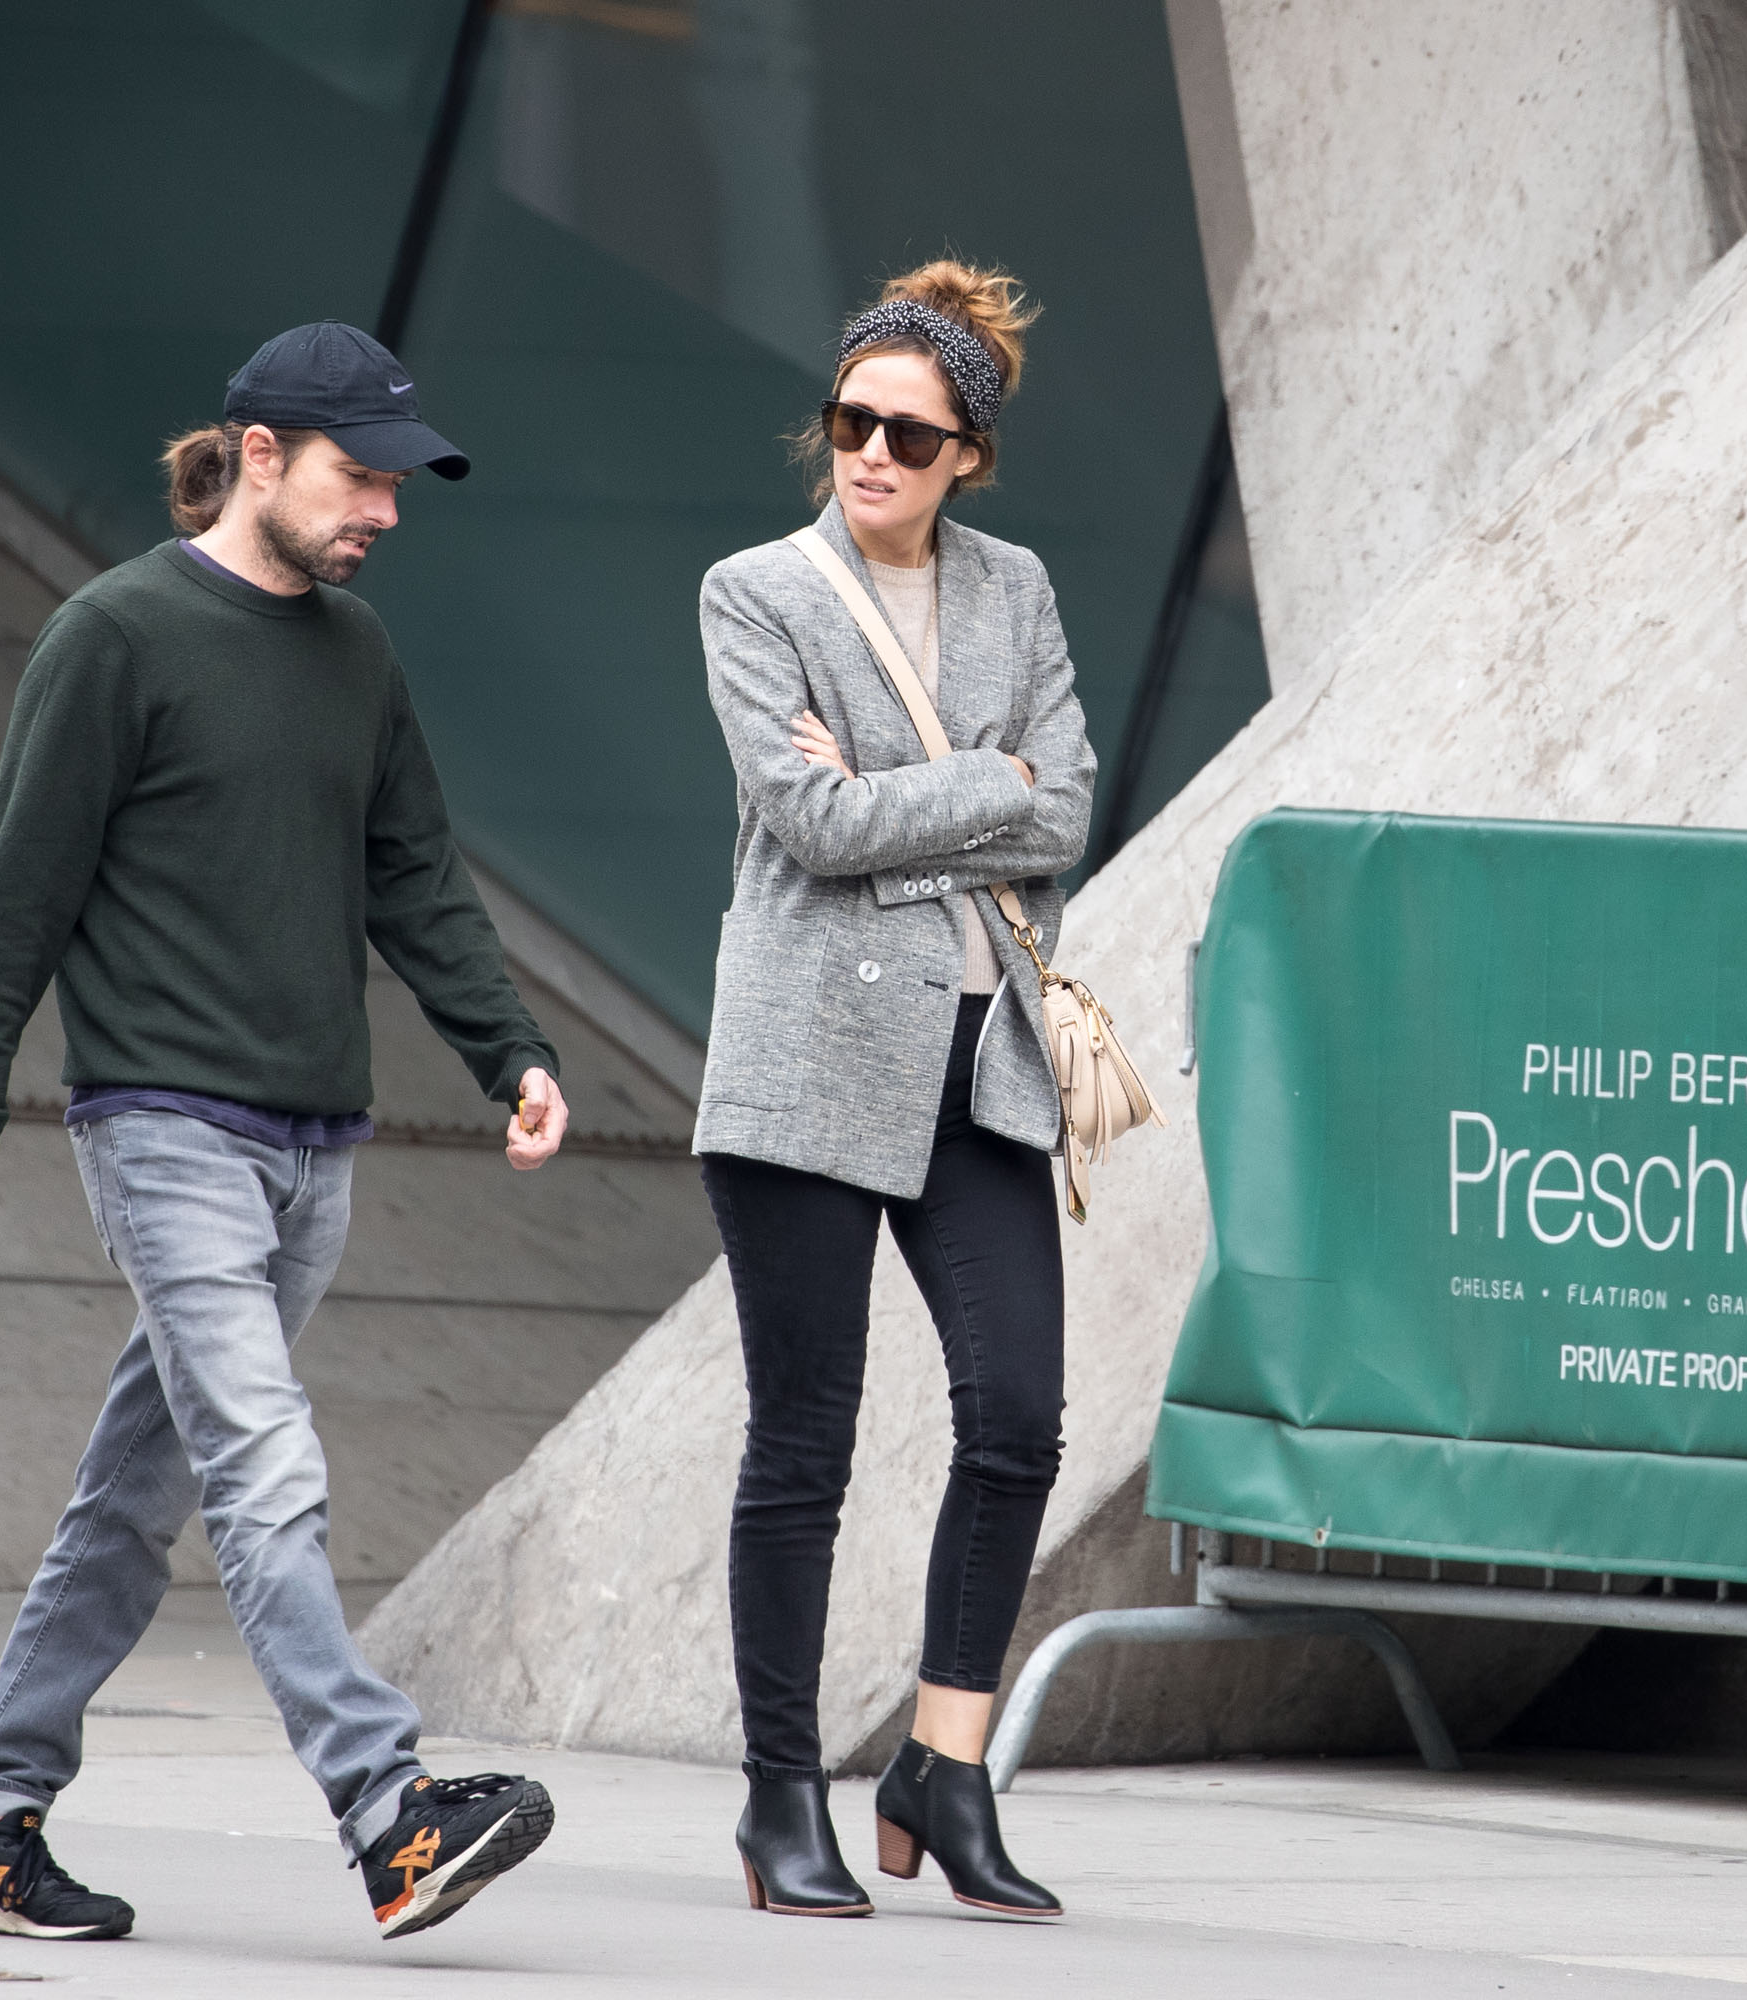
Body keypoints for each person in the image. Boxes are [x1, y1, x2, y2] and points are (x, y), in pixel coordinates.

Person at [0, 322, 566, 1943]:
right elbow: (19, 897)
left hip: (315, 1148)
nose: (384, 511)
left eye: (398, 485)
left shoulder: (358, 655)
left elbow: (416, 877)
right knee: (265, 1469)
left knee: (138, 1498)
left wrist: (512, 1052)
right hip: (163, 1126)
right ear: (260, 456)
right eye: (359, 477)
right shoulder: (113, 637)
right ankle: (390, 1813)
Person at [691, 262, 1095, 1920]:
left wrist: (915, 798)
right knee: (806, 1441)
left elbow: (1066, 810)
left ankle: (945, 1764)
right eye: (852, 420)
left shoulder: (1018, 590)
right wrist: (986, 780)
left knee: (1018, 1419)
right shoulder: (755, 592)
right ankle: (781, 1795)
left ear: (965, 457)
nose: (869, 453)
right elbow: (810, 824)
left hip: (976, 1061)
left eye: (909, 436)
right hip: (802, 1059)